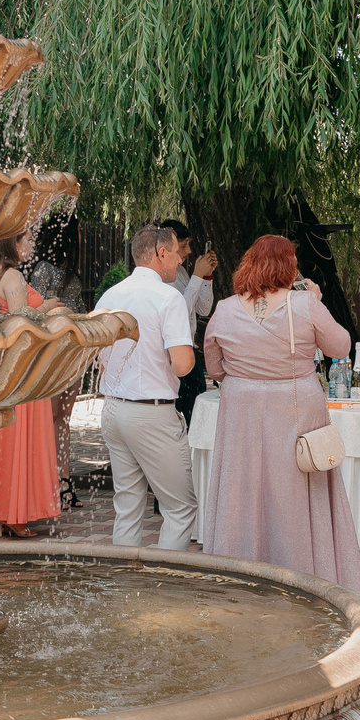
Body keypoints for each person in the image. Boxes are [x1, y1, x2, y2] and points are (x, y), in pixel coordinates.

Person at [201, 233, 360, 590]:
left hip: (242, 410)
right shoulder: (305, 305)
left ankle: (240, 570)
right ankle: (305, 573)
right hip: (294, 407)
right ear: (290, 268)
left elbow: (215, 368)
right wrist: (316, 301)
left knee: (243, 488)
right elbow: (340, 346)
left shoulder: (225, 309)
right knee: (296, 487)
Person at [94, 223, 201, 549]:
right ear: (161, 253)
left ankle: (124, 587)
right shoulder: (168, 298)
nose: (181, 261)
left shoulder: (109, 296)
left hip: (113, 409)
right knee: (180, 507)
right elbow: (182, 365)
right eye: (176, 254)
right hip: (151, 412)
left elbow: (98, 356)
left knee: (127, 506)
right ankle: (164, 589)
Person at [0, 229, 62, 538]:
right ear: (14, 243)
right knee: (17, 438)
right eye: (28, 238)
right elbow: (21, 322)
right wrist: (49, 307)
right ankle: (14, 512)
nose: (32, 243)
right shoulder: (13, 276)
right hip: (20, 369)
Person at [158, 219, 220, 420]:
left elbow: (203, 308)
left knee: (197, 410)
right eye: (184, 246)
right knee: (179, 413)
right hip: (173, 355)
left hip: (190, 350)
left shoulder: (182, 273)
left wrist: (206, 277)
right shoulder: (162, 278)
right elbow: (179, 313)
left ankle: (193, 450)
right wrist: (197, 276)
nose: (189, 251)